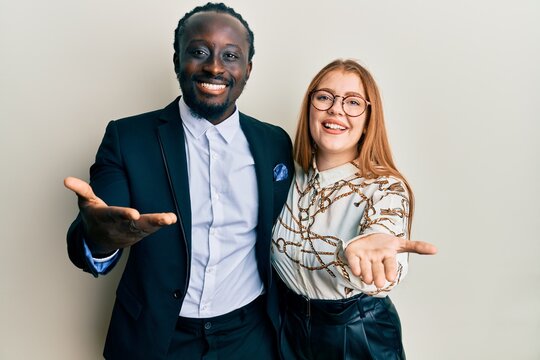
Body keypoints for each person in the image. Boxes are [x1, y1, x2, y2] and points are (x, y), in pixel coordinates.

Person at [64, 3, 294, 359]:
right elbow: (101, 218)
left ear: (247, 69)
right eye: (199, 52)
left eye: (230, 55)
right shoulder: (128, 138)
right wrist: (101, 238)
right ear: (177, 61)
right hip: (158, 337)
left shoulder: (274, 142)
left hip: (251, 336)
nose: (215, 66)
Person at [271, 59, 437, 360]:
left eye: (353, 102)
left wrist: (369, 254)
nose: (336, 109)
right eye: (324, 97)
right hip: (289, 331)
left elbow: (385, 253)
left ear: (368, 120)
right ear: (310, 107)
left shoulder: (385, 188)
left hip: (358, 335)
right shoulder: (286, 176)